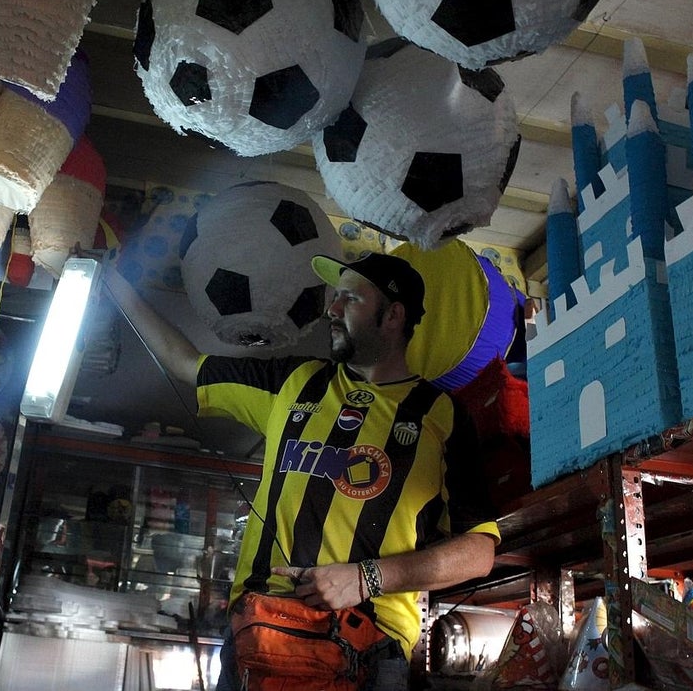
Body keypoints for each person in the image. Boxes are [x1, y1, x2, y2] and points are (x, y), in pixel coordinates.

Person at [104, 251, 500, 690]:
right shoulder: (296, 380)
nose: (332, 309)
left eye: (350, 298)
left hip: (369, 649)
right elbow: (185, 363)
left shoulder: (442, 415)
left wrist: (366, 579)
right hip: (257, 636)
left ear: (393, 315)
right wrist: (113, 281)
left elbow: (479, 551)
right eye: (335, 297)